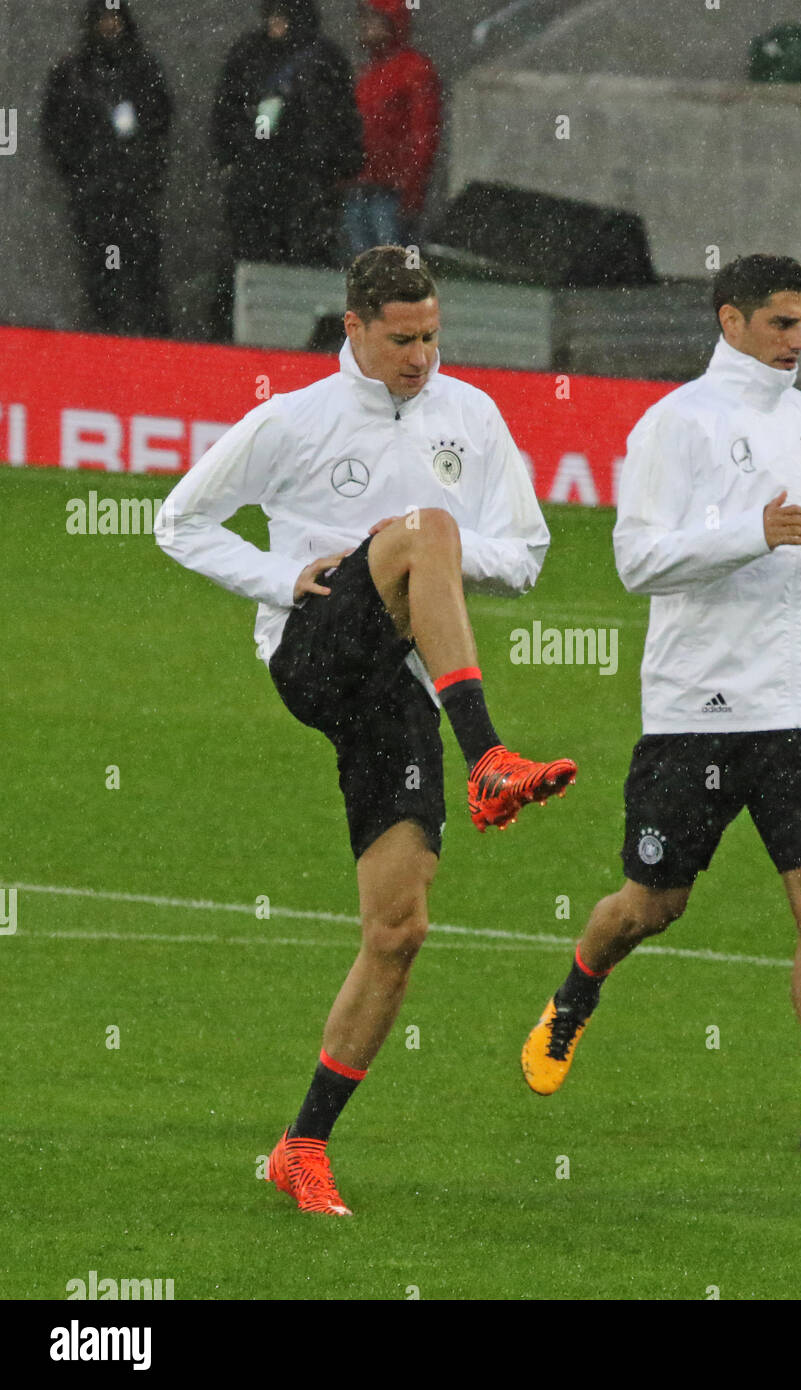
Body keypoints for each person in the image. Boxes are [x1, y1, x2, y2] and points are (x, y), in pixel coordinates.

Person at [155, 246, 576, 1214]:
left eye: (431, 336)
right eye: (400, 340)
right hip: (313, 646)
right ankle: (491, 761)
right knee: (421, 526)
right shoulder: (291, 420)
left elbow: (528, 555)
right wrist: (279, 578)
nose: (420, 357)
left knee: (398, 927)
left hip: (402, 690)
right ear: (352, 327)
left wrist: (432, 559)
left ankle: (301, 1143)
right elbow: (179, 521)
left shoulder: (471, 418)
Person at [520, 255, 801, 1154]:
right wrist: (752, 536)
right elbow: (638, 561)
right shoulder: (673, 425)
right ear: (730, 321)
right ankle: (575, 994)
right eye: (781, 324)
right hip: (697, 710)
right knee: (652, 905)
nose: (800, 342)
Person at [211, 0, 364, 332]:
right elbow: (227, 113)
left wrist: (326, 165)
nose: (276, 24)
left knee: (299, 267)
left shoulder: (319, 58)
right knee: (259, 263)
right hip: (265, 183)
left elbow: (338, 121)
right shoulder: (255, 54)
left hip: (301, 186)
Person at [42, 0, 172, 336]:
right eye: (104, 18)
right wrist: (82, 170)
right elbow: (56, 130)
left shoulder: (141, 70)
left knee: (141, 276)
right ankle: (107, 336)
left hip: (132, 194)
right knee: (101, 275)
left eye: (115, 17)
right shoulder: (74, 73)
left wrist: (143, 170)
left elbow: (160, 122)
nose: (110, 25)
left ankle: (141, 339)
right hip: (96, 195)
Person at [345, 0, 442, 255]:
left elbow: (424, 134)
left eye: (371, 16)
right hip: (363, 187)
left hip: (390, 192)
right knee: (367, 269)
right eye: (362, 16)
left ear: (391, 21)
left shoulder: (413, 69)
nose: (363, 23)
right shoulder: (370, 71)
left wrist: (411, 188)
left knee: (390, 267)